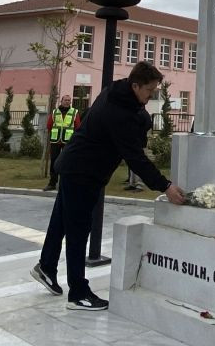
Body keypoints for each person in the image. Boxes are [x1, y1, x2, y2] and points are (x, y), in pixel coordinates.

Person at [32, 62, 186, 310]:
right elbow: (136, 158)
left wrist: (143, 120)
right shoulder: (120, 114)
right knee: (78, 231)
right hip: (83, 172)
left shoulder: (117, 91)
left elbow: (138, 115)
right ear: (135, 85)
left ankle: (47, 267)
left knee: (62, 220)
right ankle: (78, 293)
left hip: (75, 166)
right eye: (149, 91)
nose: (150, 96)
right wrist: (165, 186)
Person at [44, 96, 80, 191]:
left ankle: (66, 184)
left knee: (68, 162)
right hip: (55, 141)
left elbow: (78, 127)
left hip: (68, 142)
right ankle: (52, 183)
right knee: (54, 162)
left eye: (69, 100)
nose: (67, 102)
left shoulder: (74, 112)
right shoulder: (55, 112)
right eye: (65, 100)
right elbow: (49, 125)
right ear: (61, 101)